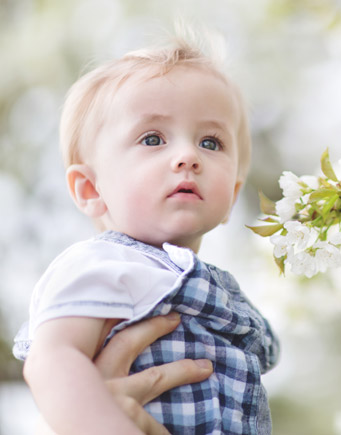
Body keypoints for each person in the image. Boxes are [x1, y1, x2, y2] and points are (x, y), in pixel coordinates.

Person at [13, 28, 279, 435]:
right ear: (91, 188)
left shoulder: (217, 290)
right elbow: (53, 360)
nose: (188, 156)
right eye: (153, 138)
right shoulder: (102, 266)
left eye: (211, 142)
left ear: (234, 193)